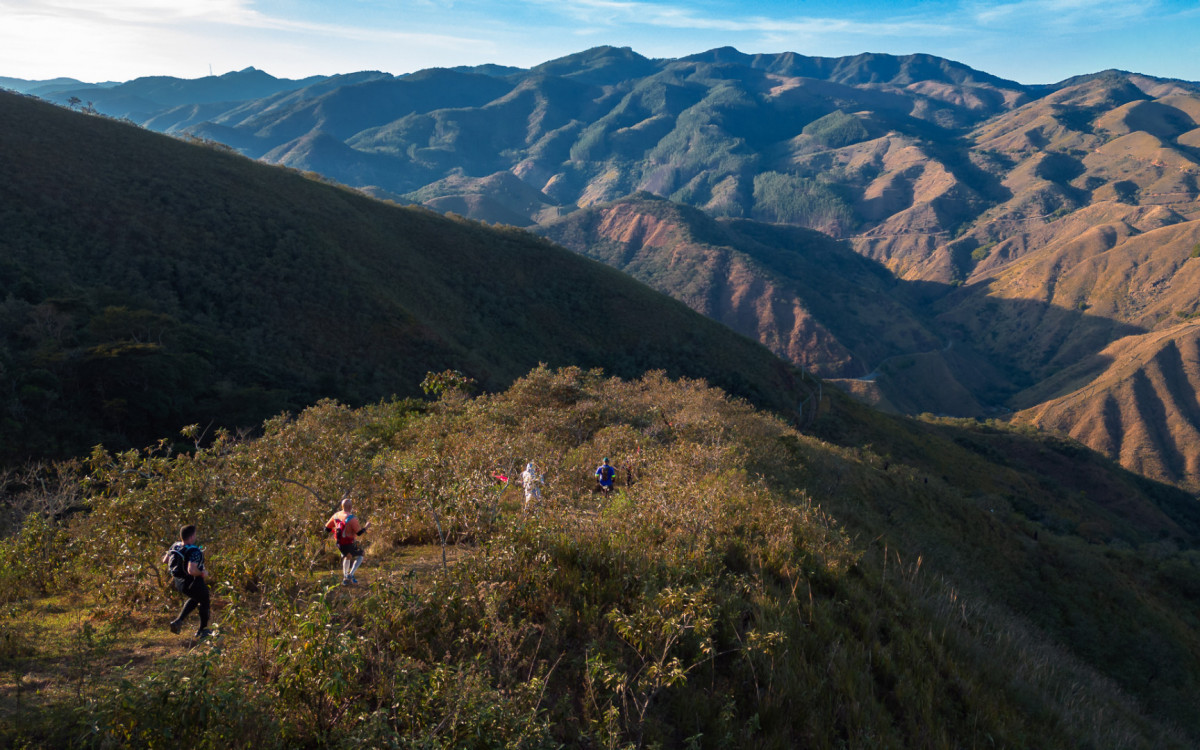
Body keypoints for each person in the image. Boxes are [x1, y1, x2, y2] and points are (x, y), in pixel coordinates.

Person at [162, 524, 212, 638]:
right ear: (191, 536)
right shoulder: (194, 551)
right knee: (204, 600)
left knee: (195, 598)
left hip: (179, 582)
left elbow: (165, 560)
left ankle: (178, 622)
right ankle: (203, 631)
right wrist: (202, 573)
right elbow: (191, 570)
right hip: (192, 582)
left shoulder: (175, 545)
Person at [325, 494, 370, 585]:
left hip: (339, 543)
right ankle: (350, 575)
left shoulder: (336, 515)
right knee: (361, 555)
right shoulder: (352, 518)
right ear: (350, 507)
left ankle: (345, 579)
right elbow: (359, 533)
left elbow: (326, 529)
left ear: (342, 506)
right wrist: (366, 527)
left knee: (347, 556)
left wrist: (336, 532)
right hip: (348, 543)